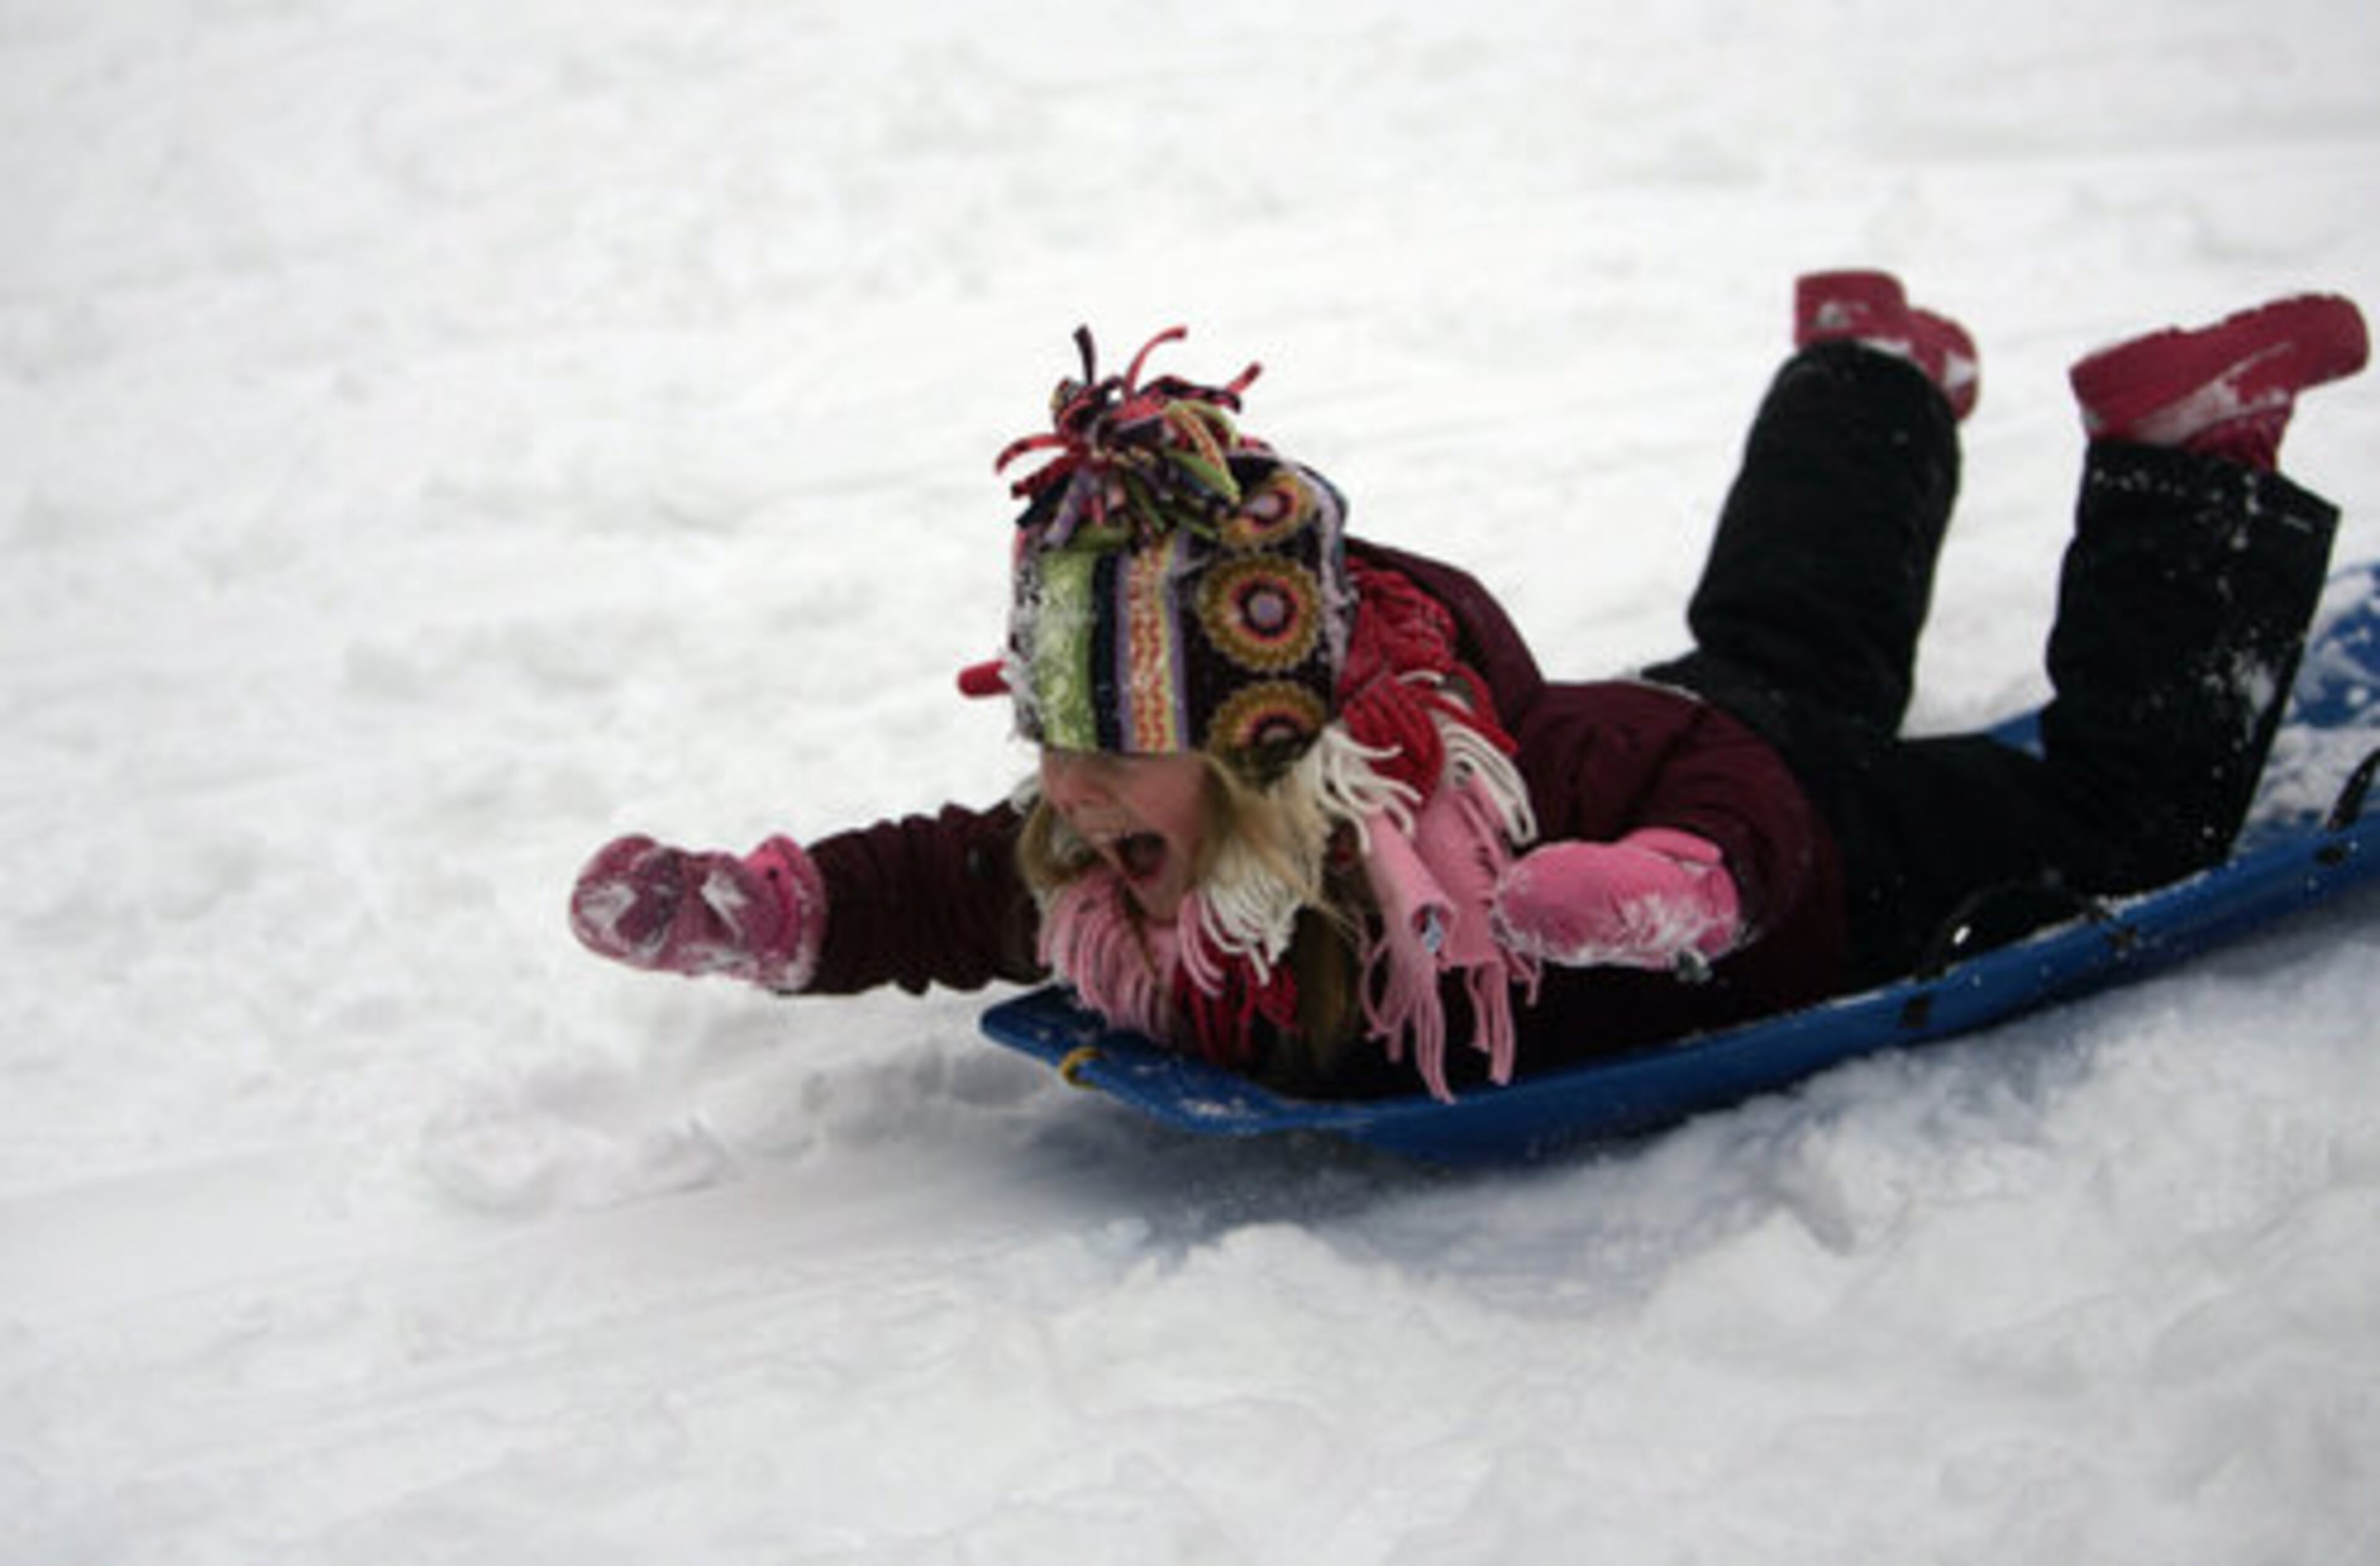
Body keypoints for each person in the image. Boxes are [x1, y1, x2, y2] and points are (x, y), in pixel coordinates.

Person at [568, 273, 2367, 1102]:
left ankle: (2190, 456)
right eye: (1058, 740)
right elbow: (960, 878)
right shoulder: (1124, 839)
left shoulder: (1481, 813)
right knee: (1787, 644)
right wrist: (768, 907)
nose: (1070, 789)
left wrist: (1690, 889)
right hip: (1707, 736)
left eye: (1113, 749)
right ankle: (1869, 371)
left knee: (2133, 816)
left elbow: (1692, 771)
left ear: (1271, 744)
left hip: (1821, 844)